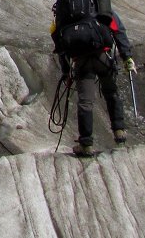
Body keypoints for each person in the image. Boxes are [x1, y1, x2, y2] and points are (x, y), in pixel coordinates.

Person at [54, 9, 136, 156]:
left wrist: (66, 71)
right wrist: (127, 57)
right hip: (102, 57)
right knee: (111, 92)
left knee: (85, 102)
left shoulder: (64, 12)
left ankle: (86, 144)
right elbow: (118, 30)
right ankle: (119, 132)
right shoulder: (100, 6)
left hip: (81, 61)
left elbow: (60, 44)